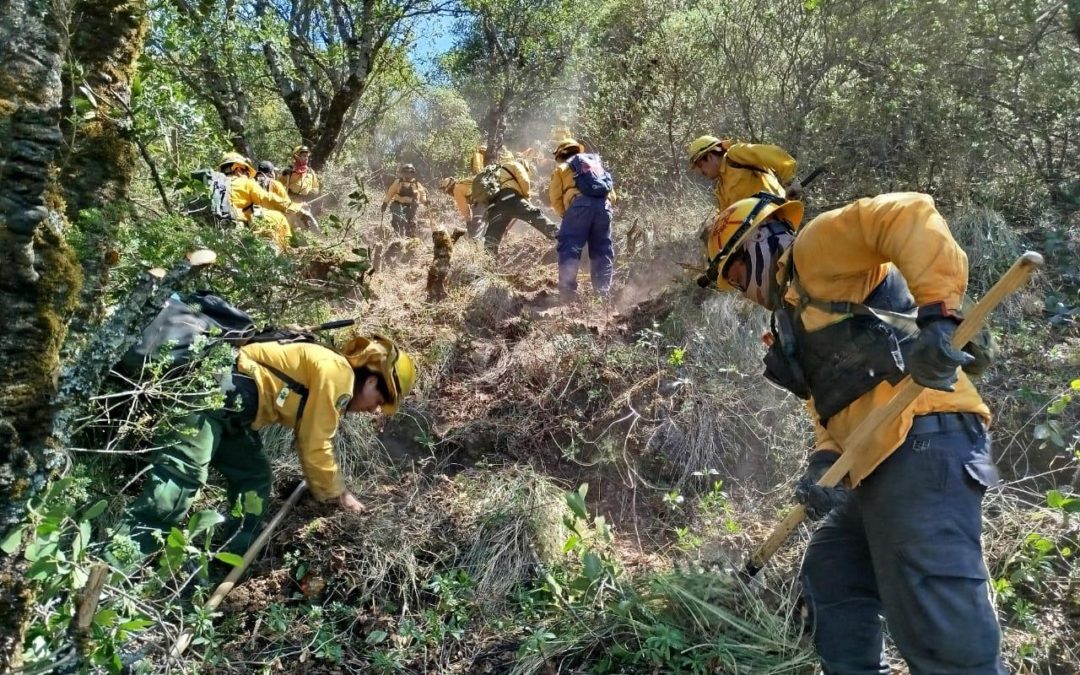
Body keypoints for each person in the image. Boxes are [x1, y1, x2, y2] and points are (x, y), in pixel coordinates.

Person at [700, 191, 1005, 674]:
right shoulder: (793, 321)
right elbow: (828, 405)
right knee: (833, 572)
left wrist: (939, 315)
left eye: (735, 275)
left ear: (757, 243)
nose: (741, 291)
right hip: (876, 462)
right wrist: (825, 461)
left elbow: (906, 213)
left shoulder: (815, 249)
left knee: (939, 631)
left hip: (921, 437)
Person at [125, 334, 416, 554]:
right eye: (379, 401)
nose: (373, 410)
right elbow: (315, 442)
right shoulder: (338, 374)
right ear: (371, 381)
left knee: (254, 478)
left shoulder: (332, 370)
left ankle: (229, 557)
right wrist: (339, 495)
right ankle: (120, 561)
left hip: (232, 415)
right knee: (180, 483)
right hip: (209, 400)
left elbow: (309, 434)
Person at [548, 138, 616, 302]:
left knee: (570, 246)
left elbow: (555, 198)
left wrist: (567, 215)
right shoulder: (596, 166)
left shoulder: (562, 168)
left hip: (579, 206)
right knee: (602, 250)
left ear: (561, 154)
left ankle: (567, 293)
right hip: (604, 206)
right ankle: (602, 295)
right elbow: (612, 195)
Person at [687, 135, 798, 211]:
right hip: (755, 232)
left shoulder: (735, 154)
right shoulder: (720, 190)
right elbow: (729, 217)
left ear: (710, 157)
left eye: (699, 165)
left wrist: (790, 180)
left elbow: (773, 153)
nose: (700, 171)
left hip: (775, 214)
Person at [218, 152, 312, 240]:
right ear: (238, 170)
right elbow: (268, 199)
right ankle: (285, 247)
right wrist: (296, 207)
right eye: (246, 172)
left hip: (216, 227)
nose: (247, 175)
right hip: (238, 226)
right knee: (278, 217)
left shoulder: (215, 184)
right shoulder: (245, 182)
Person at [480, 158, 557, 256]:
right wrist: (526, 197)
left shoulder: (497, 172)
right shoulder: (516, 164)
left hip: (494, 206)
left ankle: (488, 259)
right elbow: (524, 181)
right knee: (534, 215)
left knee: (493, 233)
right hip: (510, 198)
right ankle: (558, 235)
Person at [253, 160, 294, 251]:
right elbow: (286, 204)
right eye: (274, 172)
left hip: (254, 219)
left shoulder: (252, 182)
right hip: (273, 220)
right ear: (271, 173)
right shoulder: (276, 184)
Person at [380, 164, 428, 237]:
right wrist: (385, 203)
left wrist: (425, 201)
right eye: (406, 172)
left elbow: (422, 195)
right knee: (398, 220)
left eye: (410, 172)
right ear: (403, 173)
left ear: (413, 173)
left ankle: (409, 238)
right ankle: (399, 237)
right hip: (398, 205)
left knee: (411, 224)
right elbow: (390, 193)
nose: (408, 174)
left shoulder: (417, 184)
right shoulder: (398, 182)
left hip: (411, 207)